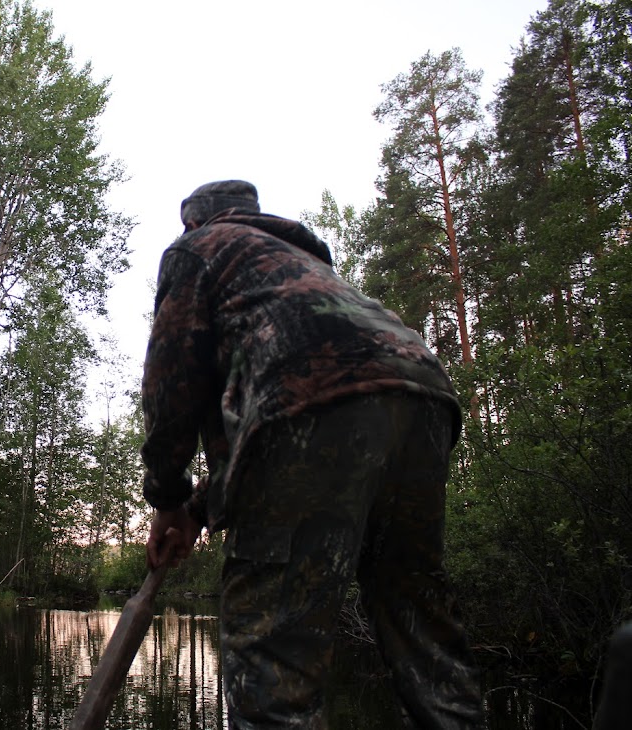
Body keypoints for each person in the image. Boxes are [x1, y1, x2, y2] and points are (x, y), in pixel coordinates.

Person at [140, 180, 486, 728]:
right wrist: (198, 511)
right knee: (421, 627)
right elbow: (258, 438)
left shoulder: (198, 249)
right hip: (426, 402)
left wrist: (166, 497)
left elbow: (172, 384)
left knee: (273, 662)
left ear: (192, 221)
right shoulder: (303, 264)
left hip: (311, 405)